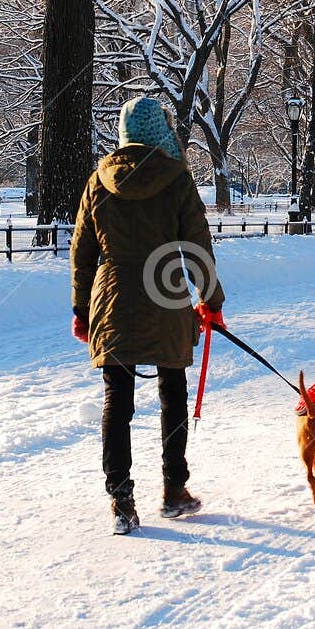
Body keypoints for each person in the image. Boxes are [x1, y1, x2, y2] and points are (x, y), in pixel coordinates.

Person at [71, 97, 224, 535]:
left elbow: (82, 254)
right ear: (159, 131)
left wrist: (81, 309)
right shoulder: (177, 179)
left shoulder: (98, 181)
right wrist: (211, 301)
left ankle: (121, 502)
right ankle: (174, 490)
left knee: (117, 399)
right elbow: (196, 248)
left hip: (113, 296)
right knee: (172, 389)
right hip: (167, 292)